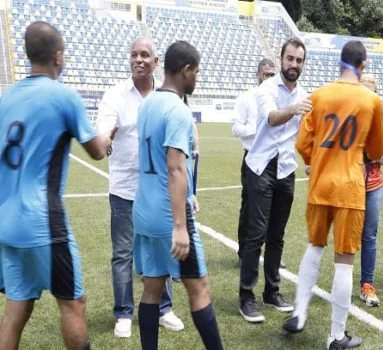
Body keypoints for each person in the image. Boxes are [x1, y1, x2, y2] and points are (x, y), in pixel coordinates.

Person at [0, 21, 114, 350]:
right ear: (59, 57)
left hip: (6, 221)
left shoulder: (7, 100)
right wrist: (108, 134)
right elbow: (95, 150)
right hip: (41, 221)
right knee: (73, 304)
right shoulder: (63, 95)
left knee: (16, 308)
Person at [283, 40, 383, 349]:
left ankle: (299, 313)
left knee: (314, 247)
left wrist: (318, 161)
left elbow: (302, 144)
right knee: (344, 262)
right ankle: (336, 335)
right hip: (350, 187)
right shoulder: (371, 101)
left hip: (320, 184)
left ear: (339, 63)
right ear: (363, 65)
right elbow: (377, 151)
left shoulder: (318, 95)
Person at [132, 41, 223, 350]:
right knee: (199, 288)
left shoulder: (147, 104)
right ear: (185, 71)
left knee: (152, 289)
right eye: (196, 72)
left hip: (144, 212)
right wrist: (181, 227)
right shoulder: (178, 111)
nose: (197, 78)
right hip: (168, 216)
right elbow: (175, 169)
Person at [96, 37, 183, 338]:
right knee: (123, 253)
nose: (139, 60)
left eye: (145, 55)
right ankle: (123, 313)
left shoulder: (165, 98)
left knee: (162, 247)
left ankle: (164, 308)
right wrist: (105, 138)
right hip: (124, 188)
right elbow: (104, 127)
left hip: (157, 190)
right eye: (134, 54)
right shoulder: (116, 95)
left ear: (157, 62)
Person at [239, 37, 311, 323]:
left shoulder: (304, 93)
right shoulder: (267, 88)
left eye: (299, 60)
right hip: (261, 167)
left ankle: (272, 292)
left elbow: (306, 134)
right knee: (256, 234)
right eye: (290, 58)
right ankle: (246, 296)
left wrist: (311, 161)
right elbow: (270, 118)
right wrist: (295, 109)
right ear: (281, 59)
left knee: (277, 235)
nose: (294, 64)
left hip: (286, 168)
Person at [231, 58, 276, 265]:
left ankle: (271, 253)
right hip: (251, 157)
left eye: (272, 75)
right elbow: (236, 128)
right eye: (266, 74)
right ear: (258, 74)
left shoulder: (278, 99)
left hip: (274, 159)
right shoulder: (246, 98)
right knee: (249, 208)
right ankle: (244, 253)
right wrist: (255, 131)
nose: (269, 78)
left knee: (274, 209)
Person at [358, 74, 383, 307]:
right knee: (347, 237)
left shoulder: (381, 123)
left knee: (369, 236)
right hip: (350, 186)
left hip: (374, 187)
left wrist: (377, 156)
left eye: (374, 93)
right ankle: (340, 283)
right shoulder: (348, 121)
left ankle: (367, 284)